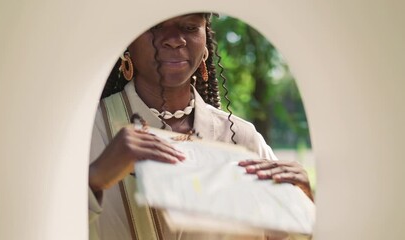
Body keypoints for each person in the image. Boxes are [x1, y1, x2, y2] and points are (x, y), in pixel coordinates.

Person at [88, 12, 312, 240]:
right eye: (155, 26)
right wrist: (94, 179)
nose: (174, 39)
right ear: (128, 42)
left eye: (189, 27)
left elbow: (286, 235)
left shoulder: (242, 139)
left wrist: (305, 204)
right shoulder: (88, 131)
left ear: (205, 42)